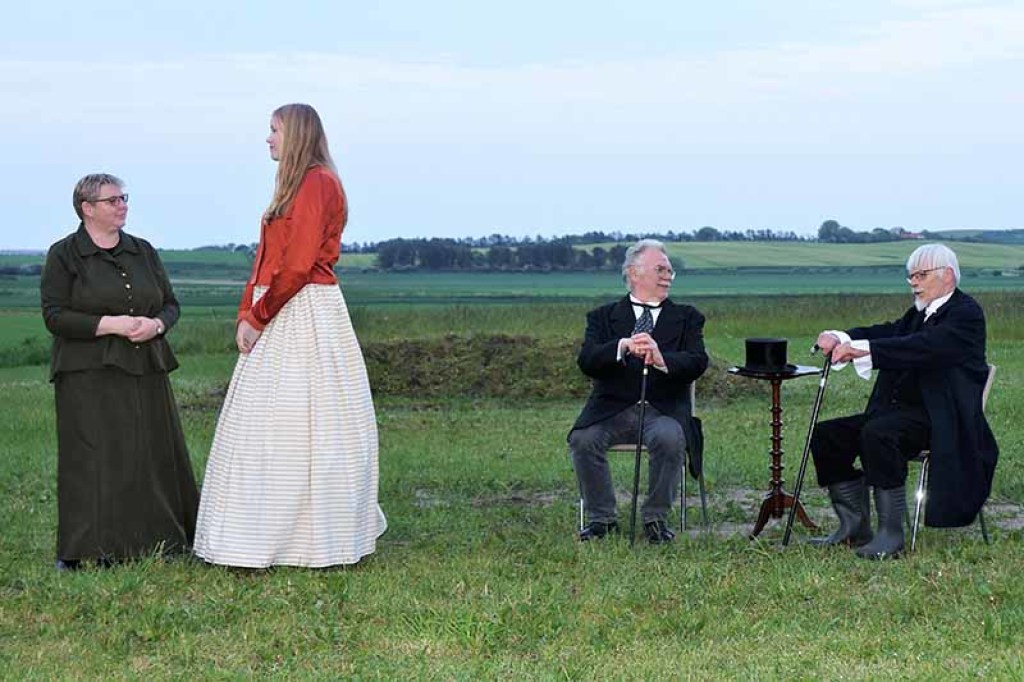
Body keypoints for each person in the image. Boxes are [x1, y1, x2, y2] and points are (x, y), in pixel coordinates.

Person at [194, 103, 386, 568]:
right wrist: (246, 311)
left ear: (296, 134)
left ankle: (310, 537)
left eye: (274, 130)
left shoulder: (318, 182)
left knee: (305, 419)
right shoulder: (293, 185)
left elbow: (298, 266)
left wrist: (259, 316)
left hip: (303, 309)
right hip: (277, 302)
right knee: (266, 421)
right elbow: (265, 260)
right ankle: (256, 533)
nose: (268, 138)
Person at [40, 173, 199, 570]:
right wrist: (111, 324)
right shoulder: (64, 255)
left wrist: (156, 325)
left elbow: (170, 304)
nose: (122, 205)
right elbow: (54, 316)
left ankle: (161, 540)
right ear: (87, 208)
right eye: (112, 200)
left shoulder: (143, 251)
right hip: (86, 372)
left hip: (146, 364)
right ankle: (85, 549)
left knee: (152, 452)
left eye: (124, 198)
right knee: (93, 458)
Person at [810, 243, 998, 559]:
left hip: (942, 418)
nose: (913, 282)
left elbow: (925, 346)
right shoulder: (920, 312)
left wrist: (864, 351)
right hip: (899, 414)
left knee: (880, 433)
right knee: (828, 435)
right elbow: (892, 332)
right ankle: (854, 527)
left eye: (921, 275)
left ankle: (891, 534)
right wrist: (842, 336)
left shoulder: (966, 314)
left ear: (947, 275)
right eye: (911, 276)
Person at [569, 239, 708, 544]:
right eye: (660, 269)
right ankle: (601, 519)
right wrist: (621, 346)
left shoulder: (688, 317)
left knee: (670, 438)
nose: (668, 276)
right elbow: (587, 361)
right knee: (583, 440)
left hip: (664, 410)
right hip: (611, 411)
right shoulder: (601, 317)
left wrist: (661, 358)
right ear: (634, 273)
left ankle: (655, 519)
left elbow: (698, 362)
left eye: (670, 271)